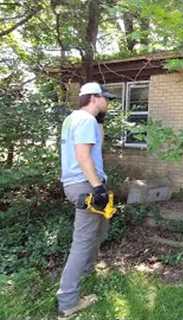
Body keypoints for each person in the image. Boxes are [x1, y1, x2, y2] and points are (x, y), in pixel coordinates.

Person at [57, 82, 115, 319]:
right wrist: (98, 187)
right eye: (106, 99)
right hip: (85, 185)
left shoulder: (75, 119)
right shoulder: (86, 120)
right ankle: (68, 301)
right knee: (82, 241)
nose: (108, 103)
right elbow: (83, 156)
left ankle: (87, 270)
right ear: (94, 98)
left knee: (101, 228)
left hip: (80, 183)